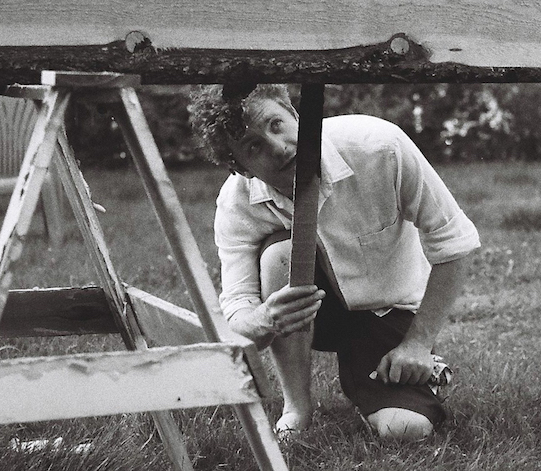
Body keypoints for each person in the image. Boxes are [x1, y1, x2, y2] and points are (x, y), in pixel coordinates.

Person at [187, 84, 480, 440]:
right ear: (240, 168)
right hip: (309, 316)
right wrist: (266, 317)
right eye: (254, 146)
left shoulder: (379, 146)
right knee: (281, 253)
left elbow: (455, 241)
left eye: (276, 125)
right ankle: (297, 409)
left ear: (296, 116)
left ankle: (408, 374)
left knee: (405, 429)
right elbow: (236, 315)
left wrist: (417, 344)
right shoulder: (236, 203)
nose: (278, 148)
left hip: (388, 308)